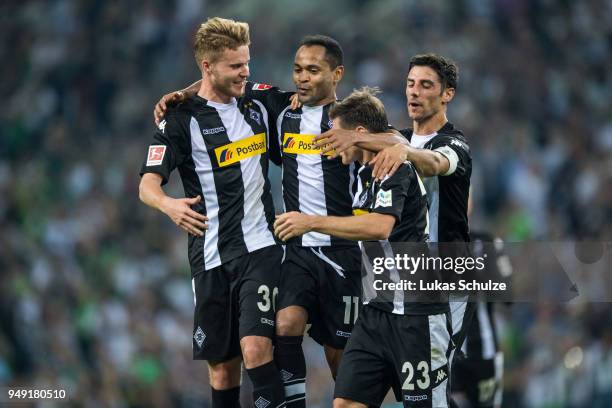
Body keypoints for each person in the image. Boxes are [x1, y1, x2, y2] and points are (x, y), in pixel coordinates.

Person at [154, 35, 369, 408]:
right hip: (295, 251)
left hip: (342, 253)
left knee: (341, 358)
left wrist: (394, 146)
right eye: (298, 70)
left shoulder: (352, 122)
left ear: (337, 74)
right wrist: (181, 92)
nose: (302, 78)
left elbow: (392, 138)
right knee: (280, 331)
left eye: (312, 71)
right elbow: (220, 78)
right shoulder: (281, 111)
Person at [274, 88, 454, 408]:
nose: (328, 140)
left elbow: (379, 226)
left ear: (358, 133)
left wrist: (311, 222)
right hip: (375, 313)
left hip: (416, 314)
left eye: (334, 133)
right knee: (345, 403)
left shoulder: (394, 165)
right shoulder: (360, 172)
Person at [139, 17, 285, 408]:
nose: (246, 72)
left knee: (255, 347)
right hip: (210, 257)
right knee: (222, 368)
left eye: (247, 62)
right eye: (236, 66)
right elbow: (147, 185)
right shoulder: (180, 120)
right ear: (208, 66)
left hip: (261, 247)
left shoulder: (256, 99)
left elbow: (306, 98)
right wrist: (168, 204)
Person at [313, 53, 474, 358]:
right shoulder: (397, 139)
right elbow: (367, 135)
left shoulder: (455, 144)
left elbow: (434, 163)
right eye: (411, 83)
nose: (415, 91)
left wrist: (405, 152)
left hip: (446, 281)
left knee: (434, 383)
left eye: (426, 85)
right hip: (398, 287)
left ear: (447, 94)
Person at [451, 193, 512, 408]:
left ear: (472, 202)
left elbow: (508, 295)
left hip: (484, 352)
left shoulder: (487, 242)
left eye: (465, 194)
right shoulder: (432, 244)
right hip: (448, 353)